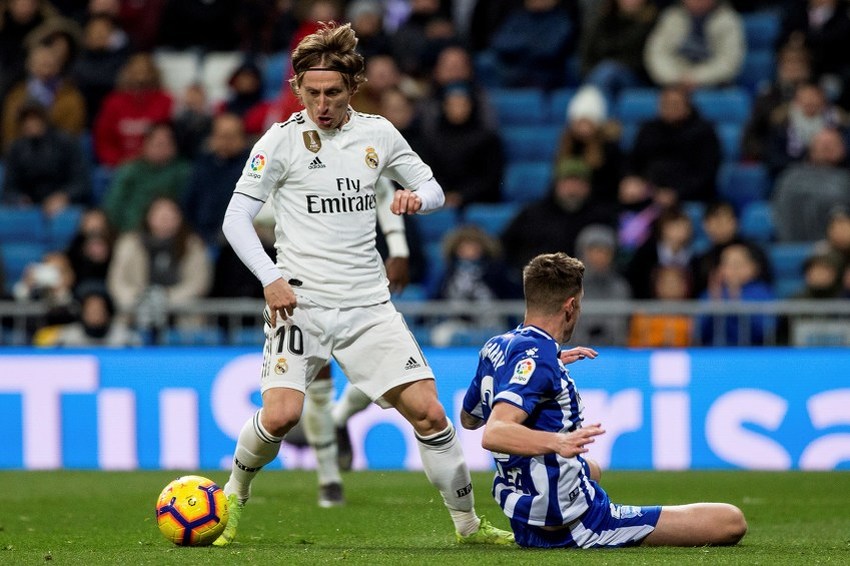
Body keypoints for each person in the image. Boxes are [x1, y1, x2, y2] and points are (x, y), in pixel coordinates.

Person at [212, 22, 514, 547]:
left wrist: (417, 199)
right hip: (299, 303)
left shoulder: (379, 134)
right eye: (312, 93)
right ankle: (232, 498)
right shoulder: (278, 142)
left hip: (368, 307)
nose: (322, 104)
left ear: (351, 89)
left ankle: (468, 526)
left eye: (332, 93)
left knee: (430, 412)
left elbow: (433, 187)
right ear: (297, 90)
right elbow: (235, 219)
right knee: (282, 415)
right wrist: (271, 277)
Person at [460, 251, 748, 548]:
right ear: (570, 307)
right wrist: (557, 442)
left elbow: (469, 419)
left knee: (593, 468)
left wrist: (549, 365)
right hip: (573, 524)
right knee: (730, 521)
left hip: (522, 511)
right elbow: (495, 432)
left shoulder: (499, 346)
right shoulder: (539, 361)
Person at [643, 0, 745, 90]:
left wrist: (697, 78)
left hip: (714, 86)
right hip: (672, 84)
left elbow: (729, 62)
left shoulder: (728, 20)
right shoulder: (671, 17)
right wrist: (675, 78)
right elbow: (655, 54)